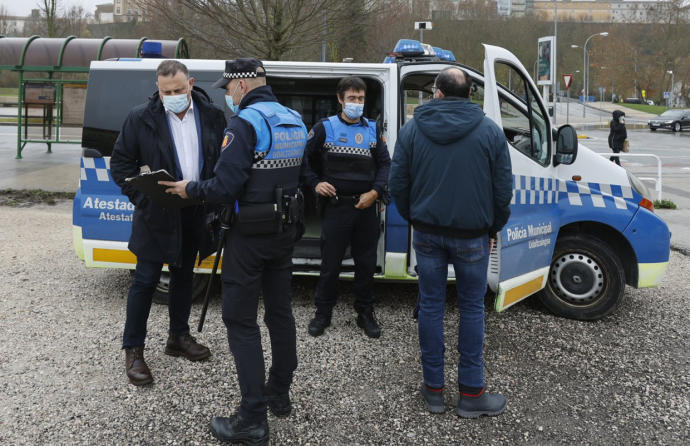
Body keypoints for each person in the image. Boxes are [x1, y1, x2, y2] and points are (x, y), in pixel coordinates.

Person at [161, 58, 307, 446]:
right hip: (284, 233)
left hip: (249, 237)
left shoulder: (246, 123)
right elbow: (301, 177)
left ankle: (252, 417)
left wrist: (189, 189)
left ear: (242, 86)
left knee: (240, 321)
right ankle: (279, 392)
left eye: (228, 88)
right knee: (280, 314)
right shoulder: (293, 118)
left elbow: (225, 187)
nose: (226, 94)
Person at [388, 67, 512, 418]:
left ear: (437, 93)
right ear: (469, 94)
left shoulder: (412, 129)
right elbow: (503, 191)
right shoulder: (490, 131)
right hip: (473, 235)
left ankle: (434, 392)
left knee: (430, 306)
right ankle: (472, 394)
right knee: (472, 309)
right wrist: (493, 228)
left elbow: (398, 184)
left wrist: (415, 217)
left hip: (427, 233)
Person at [110, 60, 226, 386]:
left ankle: (178, 337)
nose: (172, 96)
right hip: (155, 214)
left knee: (184, 278)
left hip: (195, 211)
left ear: (190, 83)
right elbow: (120, 164)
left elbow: (219, 162)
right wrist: (144, 199)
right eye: (165, 92)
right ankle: (133, 350)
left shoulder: (214, 116)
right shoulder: (140, 118)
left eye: (177, 90)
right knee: (144, 282)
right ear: (158, 89)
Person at [302, 76, 391, 339]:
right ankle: (323, 313)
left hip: (366, 207)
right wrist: (315, 184)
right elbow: (304, 161)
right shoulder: (323, 128)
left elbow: (386, 165)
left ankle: (365, 313)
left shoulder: (374, 130)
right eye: (352, 98)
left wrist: (375, 192)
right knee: (330, 265)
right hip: (336, 208)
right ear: (340, 99)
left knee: (366, 264)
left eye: (361, 99)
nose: (357, 103)